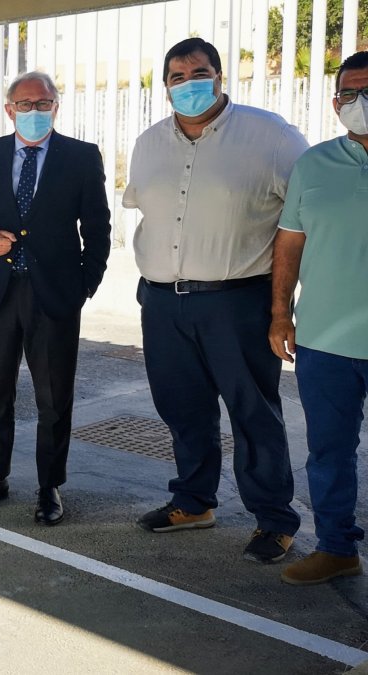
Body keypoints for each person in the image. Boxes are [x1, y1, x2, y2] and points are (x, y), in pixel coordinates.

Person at [123, 38, 308, 562]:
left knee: (253, 412)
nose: (188, 84)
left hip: (237, 302)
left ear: (220, 76)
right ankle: (194, 501)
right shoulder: (148, 143)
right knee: (182, 408)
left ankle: (273, 518)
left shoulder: (270, 137)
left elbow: (302, 221)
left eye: (198, 73)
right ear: (165, 86)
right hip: (162, 302)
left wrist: (282, 307)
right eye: (177, 77)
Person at [0, 71, 111, 525]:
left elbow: (97, 230)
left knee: (54, 399)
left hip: (56, 298)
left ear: (56, 107)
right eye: (26, 104)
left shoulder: (81, 157)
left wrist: (83, 286)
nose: (35, 111)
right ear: (9, 109)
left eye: (44, 104)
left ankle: (49, 487)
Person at [270, 51, 368, 585]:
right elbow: (289, 244)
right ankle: (337, 547)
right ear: (335, 104)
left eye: (367, 91)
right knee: (329, 452)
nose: (358, 104)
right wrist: (279, 315)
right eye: (349, 94)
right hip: (325, 342)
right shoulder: (313, 163)